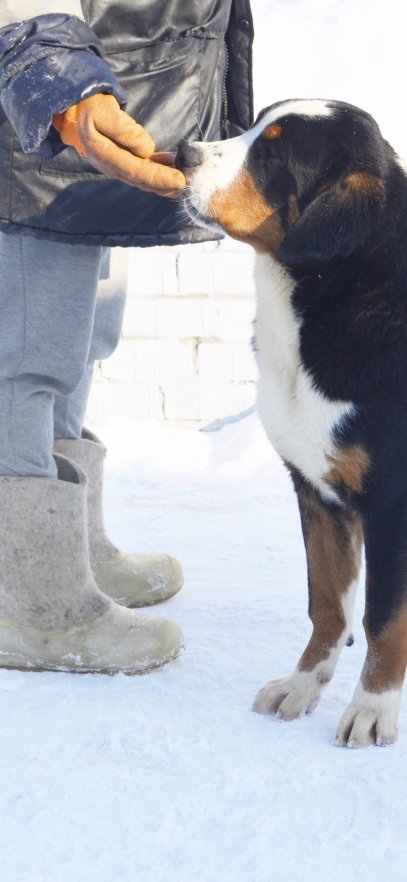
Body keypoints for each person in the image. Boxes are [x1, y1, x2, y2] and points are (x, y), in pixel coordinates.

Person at [0, 1, 253, 673]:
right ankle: (31, 604)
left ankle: (67, 551)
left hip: (98, 105)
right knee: (25, 359)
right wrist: (54, 70)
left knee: (82, 340)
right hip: (39, 114)